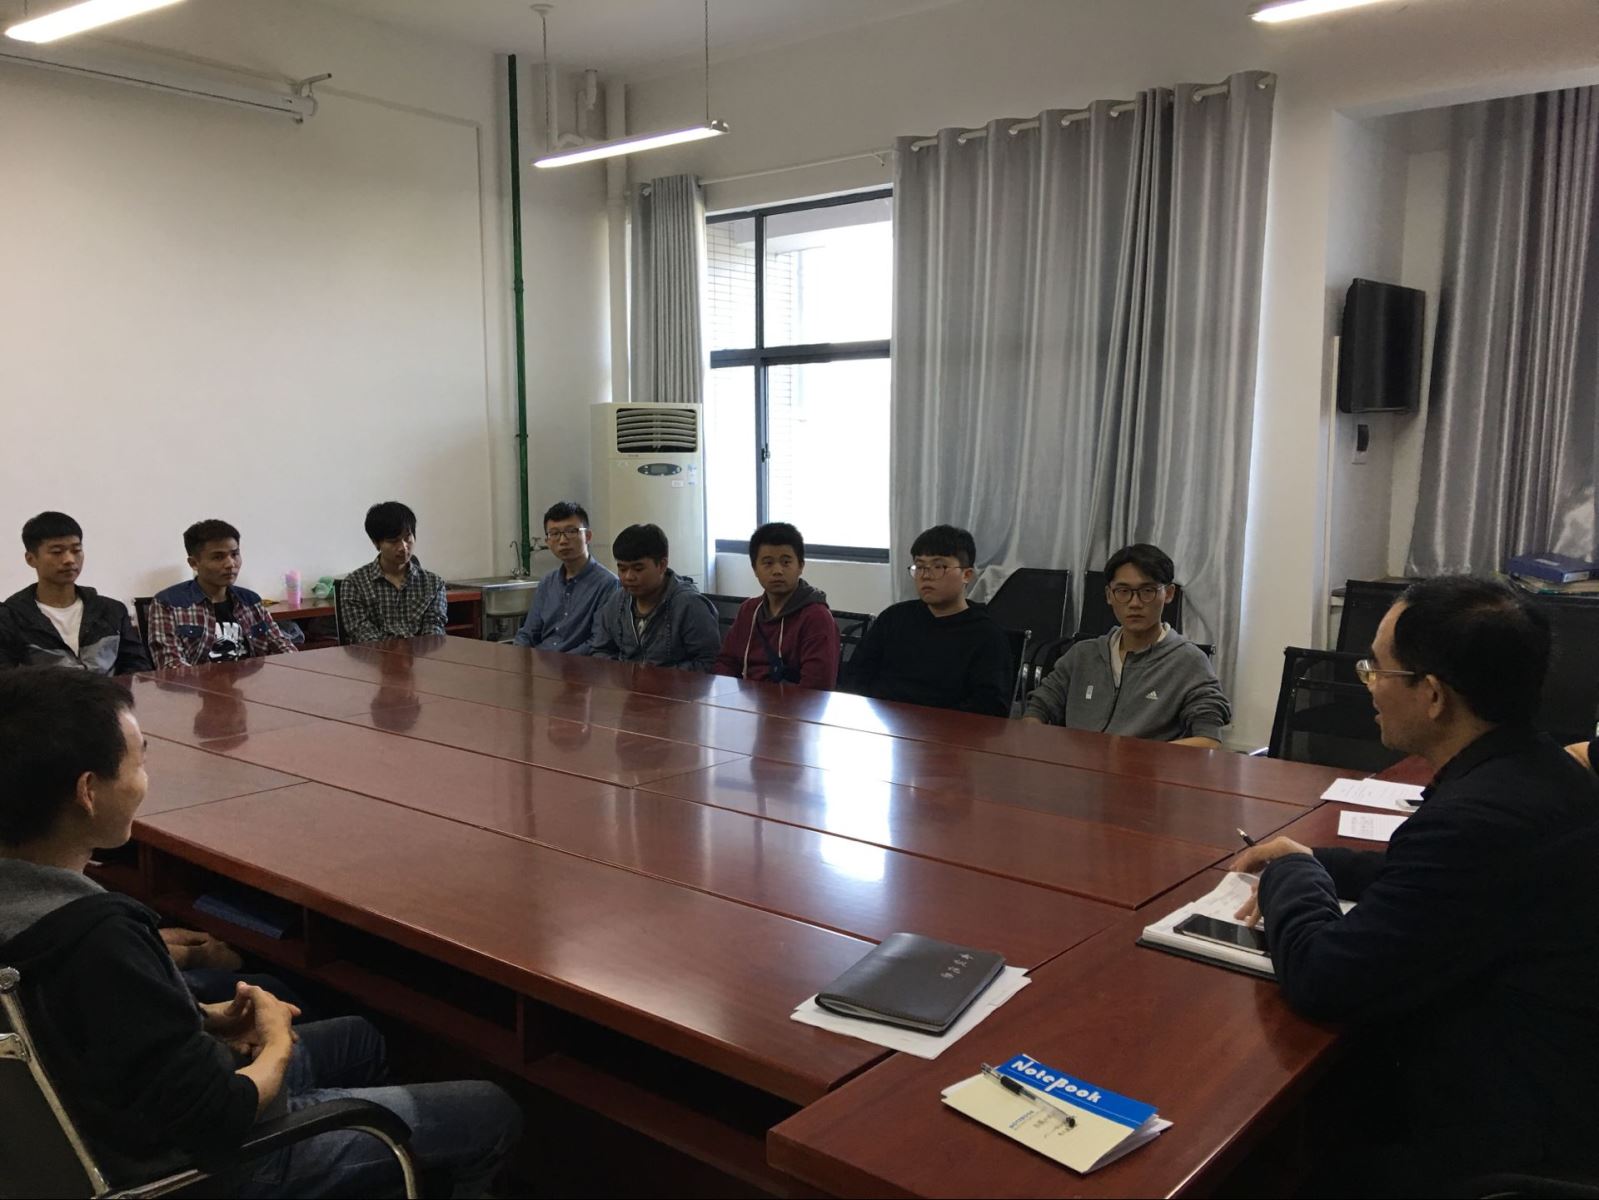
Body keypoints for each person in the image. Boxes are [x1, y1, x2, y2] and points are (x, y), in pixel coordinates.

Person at [0, 667, 521, 1196]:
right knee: (492, 1111)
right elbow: (219, 1115)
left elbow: (105, 1020)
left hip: (114, 1112)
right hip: (214, 1165)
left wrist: (204, 1019)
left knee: (361, 1039)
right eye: (140, 761)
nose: (145, 779)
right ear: (88, 792)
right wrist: (273, 1040)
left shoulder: (28, 909)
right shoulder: (99, 938)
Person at [1231, 576, 1599, 1192]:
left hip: (1497, 1138)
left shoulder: (1474, 820)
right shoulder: (1544, 772)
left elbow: (1325, 979)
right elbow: (1443, 889)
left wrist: (1291, 875)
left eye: (1377, 669)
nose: (1368, 684)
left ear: (1432, 695)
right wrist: (1322, 859)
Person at [1022, 543, 1229, 747]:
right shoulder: (1083, 655)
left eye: (1147, 591)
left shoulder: (1189, 662)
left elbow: (1209, 740)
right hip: (1075, 766)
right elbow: (1037, 709)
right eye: (1123, 591)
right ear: (1109, 595)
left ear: (1168, 593)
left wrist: (1140, 758)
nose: (1134, 603)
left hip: (1145, 768)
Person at [845, 525, 1013, 717]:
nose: (925, 575)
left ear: (966, 575)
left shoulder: (986, 636)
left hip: (947, 731)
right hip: (883, 722)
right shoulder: (893, 618)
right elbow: (855, 677)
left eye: (938, 566)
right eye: (920, 566)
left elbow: (990, 707)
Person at [0, 511, 151, 675]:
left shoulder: (111, 610)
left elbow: (138, 670)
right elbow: (6, 681)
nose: (69, 560)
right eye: (57, 552)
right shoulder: (10, 617)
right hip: (45, 693)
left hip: (110, 692)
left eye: (76, 550)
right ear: (31, 559)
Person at [146, 520, 298, 668]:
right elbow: (171, 666)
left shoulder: (250, 601)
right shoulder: (168, 603)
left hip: (252, 682)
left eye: (234, 554)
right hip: (198, 684)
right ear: (194, 563)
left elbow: (282, 645)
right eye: (218, 557)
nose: (230, 564)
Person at [713, 522, 840, 689]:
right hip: (745, 702)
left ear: (800, 566)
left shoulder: (816, 618)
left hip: (793, 704)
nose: (777, 571)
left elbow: (817, 688)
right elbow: (726, 663)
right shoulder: (749, 610)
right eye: (768, 563)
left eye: (786, 562)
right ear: (755, 569)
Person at [588, 524, 719, 671]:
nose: (628, 577)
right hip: (626, 684)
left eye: (638, 569)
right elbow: (600, 650)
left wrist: (656, 676)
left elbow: (708, 662)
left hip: (673, 685)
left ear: (662, 565)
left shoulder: (689, 605)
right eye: (622, 569)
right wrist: (624, 674)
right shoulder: (617, 601)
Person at [513, 501, 619, 654]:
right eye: (555, 534)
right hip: (542, 661)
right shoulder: (547, 582)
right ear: (547, 541)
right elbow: (528, 633)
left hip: (579, 665)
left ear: (588, 536)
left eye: (571, 531)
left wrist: (557, 662)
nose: (563, 541)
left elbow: (598, 642)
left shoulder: (608, 584)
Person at [340, 502, 448, 643]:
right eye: (393, 541)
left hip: (421, 654)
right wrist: (395, 653)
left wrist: (416, 652)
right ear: (376, 543)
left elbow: (434, 629)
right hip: (375, 655)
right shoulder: (354, 584)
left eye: (407, 538)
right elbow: (361, 631)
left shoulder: (433, 583)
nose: (403, 547)